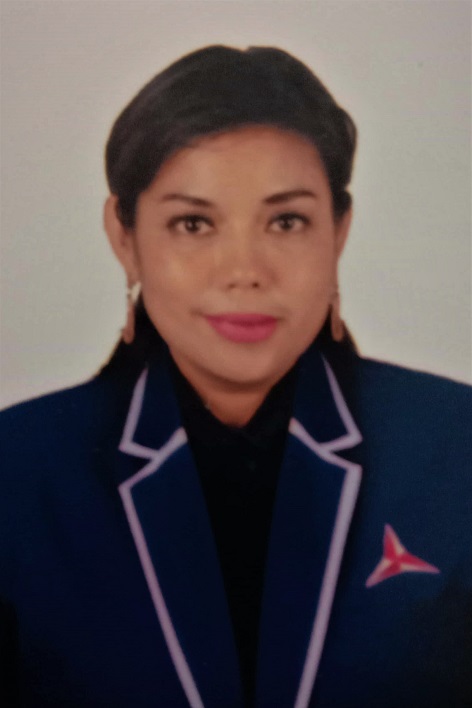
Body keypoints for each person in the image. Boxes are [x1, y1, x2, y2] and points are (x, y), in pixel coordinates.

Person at [0, 45, 471, 708]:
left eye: (286, 221)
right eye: (193, 223)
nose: (245, 270)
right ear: (124, 237)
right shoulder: (15, 471)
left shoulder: (457, 447)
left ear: (338, 232)